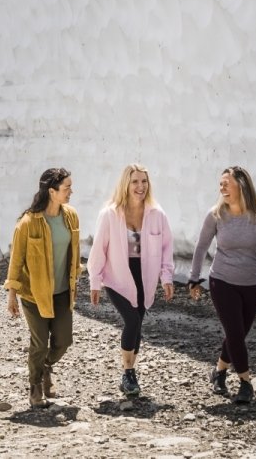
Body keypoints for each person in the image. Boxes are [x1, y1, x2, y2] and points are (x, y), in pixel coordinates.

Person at [186, 166, 256, 404]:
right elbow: (201, 247)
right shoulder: (216, 214)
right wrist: (194, 278)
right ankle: (246, 383)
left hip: (253, 283)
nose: (222, 187)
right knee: (236, 333)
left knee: (236, 334)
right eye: (221, 184)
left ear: (242, 185)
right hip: (222, 281)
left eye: (227, 183)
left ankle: (218, 372)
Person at [87, 163, 177, 397]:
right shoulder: (110, 214)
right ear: (125, 184)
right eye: (135, 181)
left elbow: (167, 247)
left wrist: (166, 277)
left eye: (144, 181)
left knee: (138, 323)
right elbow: (99, 249)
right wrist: (95, 281)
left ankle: (130, 371)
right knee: (132, 321)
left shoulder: (157, 214)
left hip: (144, 274)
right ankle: (128, 373)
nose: (140, 187)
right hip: (116, 274)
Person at [5, 167, 79, 407]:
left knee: (64, 341)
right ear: (51, 191)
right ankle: (35, 386)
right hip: (34, 294)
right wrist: (12, 296)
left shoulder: (71, 216)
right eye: (66, 187)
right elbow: (16, 261)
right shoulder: (27, 223)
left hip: (61, 292)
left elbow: (73, 252)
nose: (70, 191)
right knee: (39, 342)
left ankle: (46, 367)